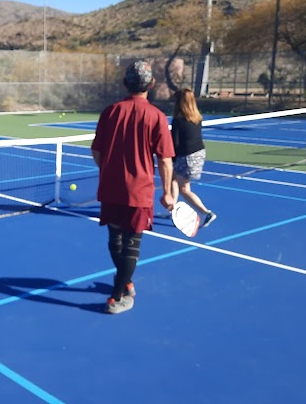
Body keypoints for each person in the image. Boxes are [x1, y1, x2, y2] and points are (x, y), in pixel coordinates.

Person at [91, 60, 175, 315]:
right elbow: (165, 160)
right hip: (139, 191)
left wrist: (108, 170)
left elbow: (96, 151)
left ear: (126, 83)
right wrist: (168, 192)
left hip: (111, 188)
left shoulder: (110, 111)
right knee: (131, 244)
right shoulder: (156, 117)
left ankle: (125, 282)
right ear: (151, 84)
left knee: (115, 239)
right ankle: (116, 297)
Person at [170, 88, 216, 228]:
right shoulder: (197, 118)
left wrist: (170, 159)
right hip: (199, 153)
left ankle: (206, 212)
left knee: (184, 189)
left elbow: (175, 143)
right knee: (173, 178)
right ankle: (172, 207)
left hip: (187, 156)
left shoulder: (178, 120)